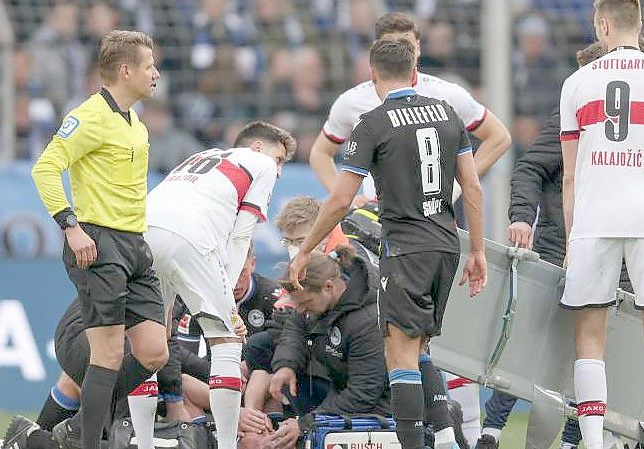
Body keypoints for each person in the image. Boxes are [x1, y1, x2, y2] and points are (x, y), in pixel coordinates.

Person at [477, 36, 644, 449]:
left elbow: (635, 177)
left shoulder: (626, 116)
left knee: (596, 349)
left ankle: (572, 440)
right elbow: (532, 167)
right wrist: (520, 218)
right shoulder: (582, 107)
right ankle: (492, 432)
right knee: (539, 347)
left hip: (607, 239)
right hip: (562, 242)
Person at [286, 38, 487, 449]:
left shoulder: (374, 122)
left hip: (406, 248)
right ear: (415, 73)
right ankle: (448, 440)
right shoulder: (448, 114)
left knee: (399, 354)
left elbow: (341, 198)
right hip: (446, 245)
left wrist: (306, 249)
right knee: (421, 344)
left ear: (372, 74)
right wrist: (479, 250)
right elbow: (472, 187)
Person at [559, 1, 644, 448]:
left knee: (590, 335)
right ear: (641, 24)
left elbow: (570, 175)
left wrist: (571, 234)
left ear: (601, 24)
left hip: (595, 217)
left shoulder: (576, 83)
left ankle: (594, 442)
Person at [30, 30, 166, 449]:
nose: (155, 73)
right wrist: (70, 226)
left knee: (154, 353)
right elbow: (45, 168)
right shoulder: (88, 117)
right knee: (106, 355)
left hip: (134, 246)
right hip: (98, 242)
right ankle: (86, 441)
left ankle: (77, 426)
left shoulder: (135, 120)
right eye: (148, 66)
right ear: (126, 71)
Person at [144, 121, 295, 449]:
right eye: (280, 159)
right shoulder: (260, 164)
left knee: (152, 344)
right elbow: (240, 238)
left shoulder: (203, 157)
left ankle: (143, 442)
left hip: (143, 231)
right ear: (257, 148)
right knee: (226, 342)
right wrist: (228, 303)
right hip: (186, 237)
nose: (279, 170)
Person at [310, 11, 511, 208]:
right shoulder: (351, 101)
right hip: (380, 214)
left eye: (406, 44)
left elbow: (499, 137)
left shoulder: (447, 93)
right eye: (391, 45)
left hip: (436, 213)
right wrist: (348, 199)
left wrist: (458, 186)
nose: (400, 51)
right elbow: (320, 152)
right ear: (375, 50)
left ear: (418, 48)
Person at [0, 296, 193, 449]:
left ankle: (33, 438)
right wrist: (174, 398)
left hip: (87, 330)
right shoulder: (177, 265)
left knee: (79, 383)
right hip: (96, 333)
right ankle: (42, 439)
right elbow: (164, 339)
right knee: (124, 422)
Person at [247, 246, 391, 449]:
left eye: (305, 302)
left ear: (329, 287)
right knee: (260, 348)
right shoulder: (315, 300)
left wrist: (306, 424)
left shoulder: (368, 322)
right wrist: (286, 365)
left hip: (376, 411)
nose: (301, 309)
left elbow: (363, 394)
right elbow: (296, 323)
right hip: (337, 390)